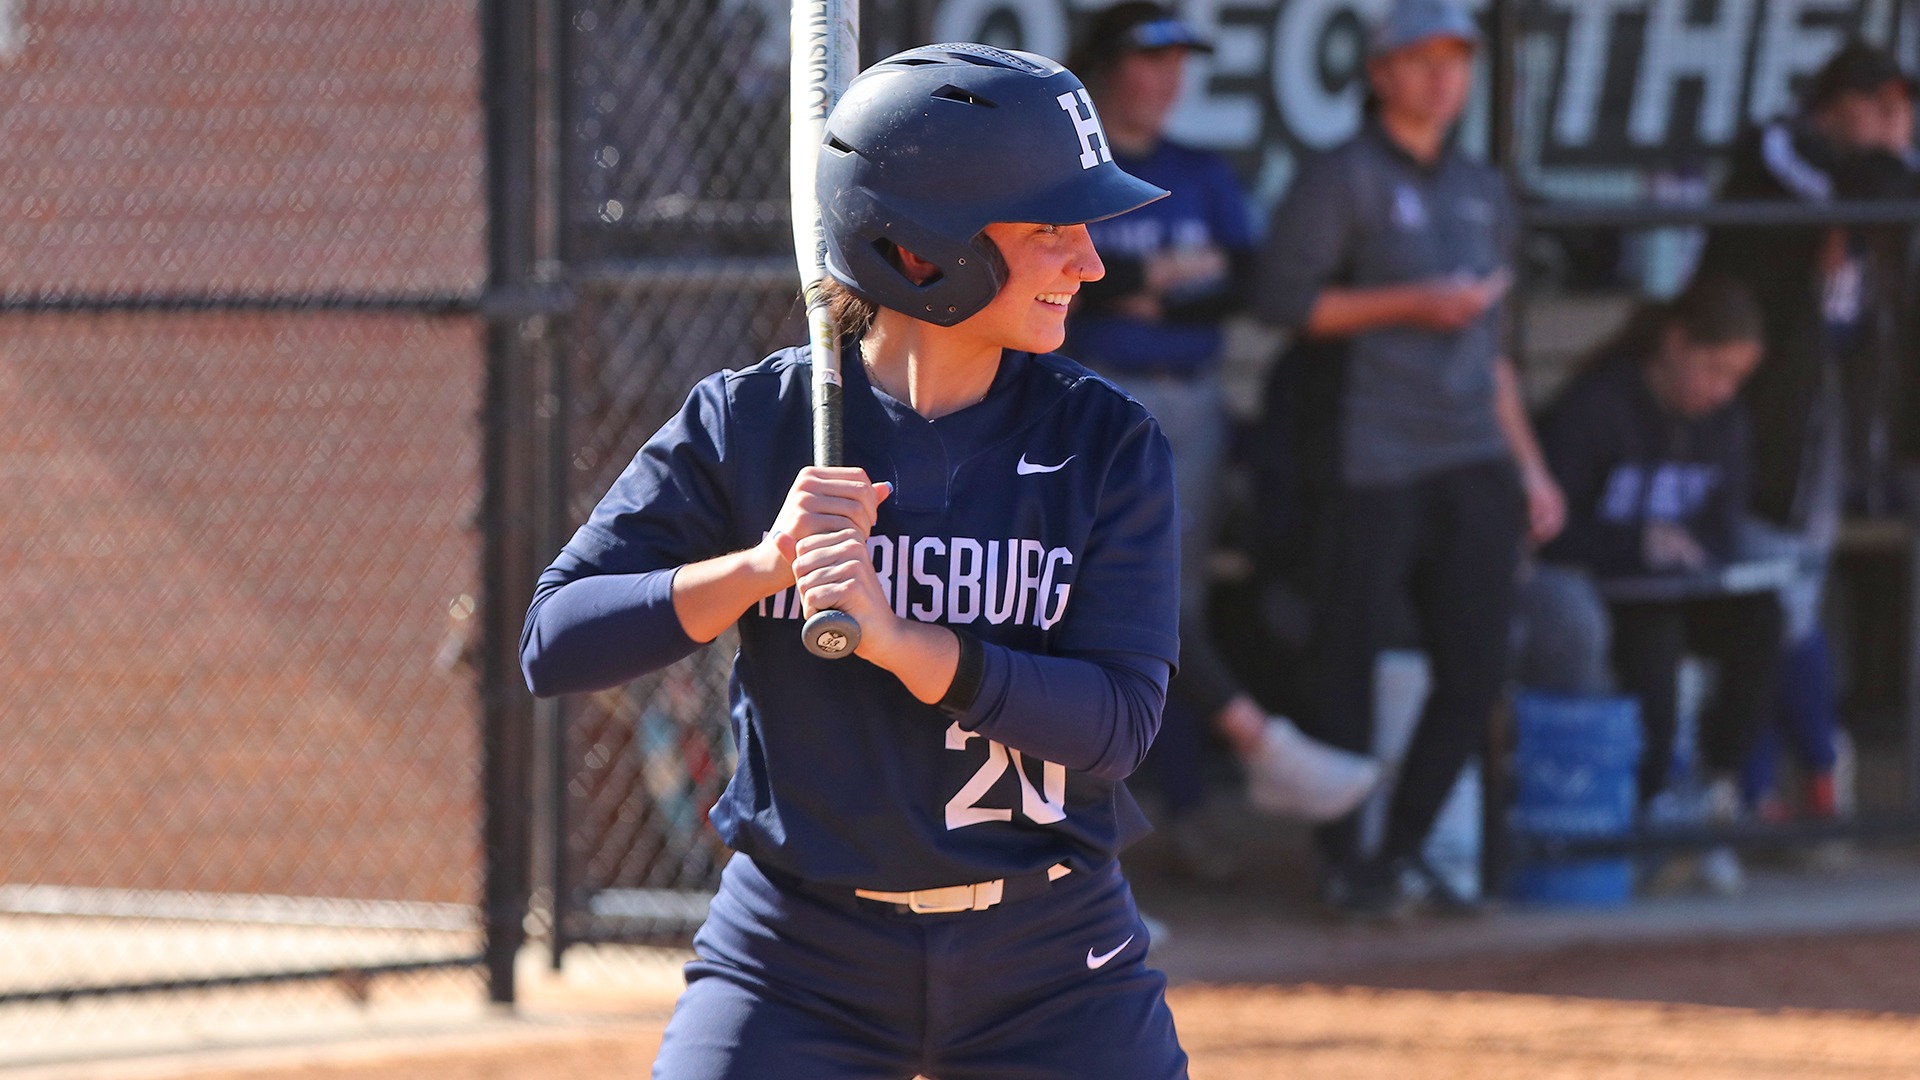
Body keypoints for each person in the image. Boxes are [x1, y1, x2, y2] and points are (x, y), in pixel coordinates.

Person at [521, 44, 1190, 1079]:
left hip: (1053, 956)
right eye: (1051, 230)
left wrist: (905, 643)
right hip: (796, 952)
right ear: (924, 250)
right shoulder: (753, 421)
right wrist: (761, 567)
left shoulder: (1107, 443)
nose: (1090, 262)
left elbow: (1118, 725)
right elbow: (554, 642)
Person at [1253, 0, 1565, 917]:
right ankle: (1344, 861)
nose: (1442, 77)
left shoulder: (1481, 187)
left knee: (1476, 668)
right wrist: (1411, 301)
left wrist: (1532, 468)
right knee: (1344, 661)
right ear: (1380, 72)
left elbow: (1494, 351)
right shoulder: (1340, 176)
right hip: (1369, 455)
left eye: (1456, 60)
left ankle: (1400, 851)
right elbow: (1282, 303)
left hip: (1472, 452)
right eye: (1422, 59)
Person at [1063, 0, 1379, 879]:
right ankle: (1107, 830)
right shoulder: (1072, 165)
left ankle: (1186, 808)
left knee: (1172, 604)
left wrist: (1147, 288)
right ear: (1104, 66)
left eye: (1178, 64)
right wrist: (1142, 279)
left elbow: (1242, 282)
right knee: (1091, 602)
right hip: (1092, 395)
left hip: (1191, 401)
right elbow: (1071, 280)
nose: (1167, 80)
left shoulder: (1198, 171)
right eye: (1149, 60)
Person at [1693, 40, 1920, 823]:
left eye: (1902, 110)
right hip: (1748, 422)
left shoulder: (1880, 178)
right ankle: (1791, 774)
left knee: (1785, 596)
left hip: (1826, 427)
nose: (1893, 125)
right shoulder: (1781, 158)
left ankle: (1778, 785)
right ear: (1834, 107)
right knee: (1768, 598)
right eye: (1878, 107)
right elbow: (1825, 184)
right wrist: (1875, 156)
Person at [1534, 276, 1784, 828]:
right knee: (1654, 633)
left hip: (1683, 586)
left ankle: (1718, 782)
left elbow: (1723, 527)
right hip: (1605, 590)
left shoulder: (1726, 423)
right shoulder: (1595, 406)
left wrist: (1693, 549)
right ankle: (1647, 799)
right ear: (1675, 344)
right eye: (1714, 369)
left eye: (1736, 378)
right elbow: (1550, 530)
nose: (1723, 391)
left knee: (1764, 617)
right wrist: (1635, 543)